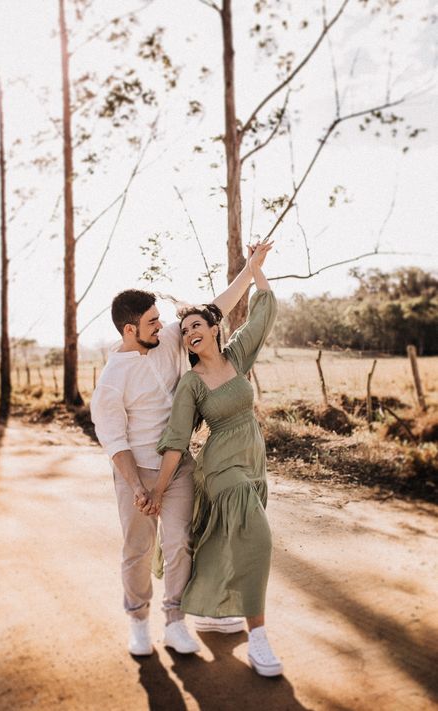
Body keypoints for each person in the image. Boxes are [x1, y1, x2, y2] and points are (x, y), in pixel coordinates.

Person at [90, 252, 264, 657]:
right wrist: (138, 488)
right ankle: (137, 621)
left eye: (159, 318)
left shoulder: (167, 338)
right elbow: (114, 441)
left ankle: (174, 622)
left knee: (180, 542)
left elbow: (218, 305)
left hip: (178, 465)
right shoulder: (112, 380)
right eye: (152, 321)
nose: (162, 324)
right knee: (138, 549)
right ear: (130, 329)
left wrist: (250, 268)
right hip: (136, 472)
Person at [137, 244, 283, 676]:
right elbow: (177, 441)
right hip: (222, 468)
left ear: (215, 329)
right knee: (258, 538)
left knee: (229, 536)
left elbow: (263, 315)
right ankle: (259, 640)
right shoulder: (191, 385)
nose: (189, 333)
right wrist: (158, 491)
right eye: (184, 331)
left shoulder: (237, 357)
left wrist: (255, 270)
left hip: (253, 462)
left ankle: (214, 609)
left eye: (196, 325)